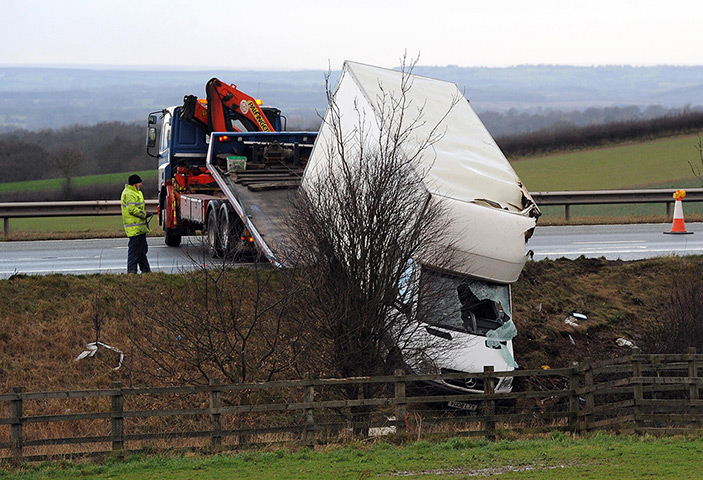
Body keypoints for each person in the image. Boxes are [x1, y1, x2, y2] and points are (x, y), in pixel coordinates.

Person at [120, 174, 152, 274]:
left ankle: (146, 271)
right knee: (134, 251)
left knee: (142, 250)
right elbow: (132, 209)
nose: (141, 184)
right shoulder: (130, 194)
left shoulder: (136, 192)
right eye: (139, 182)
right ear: (134, 184)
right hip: (134, 227)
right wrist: (144, 214)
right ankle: (132, 272)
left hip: (139, 227)